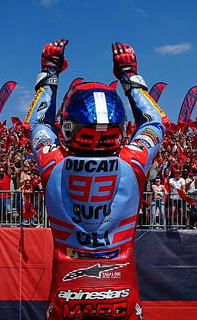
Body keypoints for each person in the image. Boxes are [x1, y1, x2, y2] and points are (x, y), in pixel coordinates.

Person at [27, 39, 165, 320]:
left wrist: (50, 73)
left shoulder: (52, 163)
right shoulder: (133, 162)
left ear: (68, 126)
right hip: (121, 283)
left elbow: (38, 123)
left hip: (67, 287)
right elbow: (154, 122)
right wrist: (129, 76)